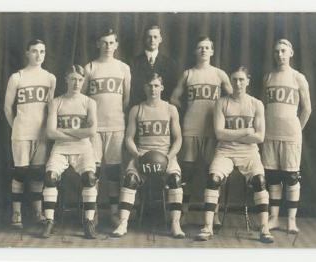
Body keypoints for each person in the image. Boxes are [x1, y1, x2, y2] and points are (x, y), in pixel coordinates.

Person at [196, 67, 274, 243]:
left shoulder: (256, 104)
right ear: (230, 82)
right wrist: (247, 130)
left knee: (260, 181)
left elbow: (260, 137)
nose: (237, 83)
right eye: (234, 80)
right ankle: (207, 227)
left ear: (248, 81)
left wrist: (232, 133)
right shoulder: (222, 102)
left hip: (249, 153)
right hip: (225, 151)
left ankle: (264, 228)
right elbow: (219, 134)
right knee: (213, 178)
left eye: (241, 79)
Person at [111, 72, 185, 238]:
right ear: (145, 88)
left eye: (156, 85)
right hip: (142, 154)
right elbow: (129, 138)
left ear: (162, 88)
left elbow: (178, 139)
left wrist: (169, 157)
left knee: (175, 179)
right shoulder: (137, 109)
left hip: (166, 155)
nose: (153, 89)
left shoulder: (170, 109)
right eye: (150, 86)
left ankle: (175, 223)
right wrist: (137, 156)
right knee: (130, 179)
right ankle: (123, 223)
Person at [170, 36, 232, 225]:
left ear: (212, 51)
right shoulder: (188, 74)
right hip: (190, 127)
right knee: (187, 170)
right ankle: (184, 210)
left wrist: (221, 115)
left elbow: (233, 99)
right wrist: (189, 109)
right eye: (200, 47)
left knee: (212, 171)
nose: (204, 50)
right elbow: (173, 98)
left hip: (212, 130)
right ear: (195, 52)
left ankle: (214, 214)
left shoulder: (220, 74)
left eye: (207, 47)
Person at [41, 65, 98, 239]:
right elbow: (50, 133)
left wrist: (64, 132)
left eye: (80, 80)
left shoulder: (89, 102)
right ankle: (49, 221)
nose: (77, 83)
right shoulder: (56, 102)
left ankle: (88, 222)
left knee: (89, 178)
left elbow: (91, 131)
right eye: (73, 79)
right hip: (61, 148)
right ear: (66, 79)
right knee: (50, 177)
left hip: (83, 149)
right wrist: (77, 134)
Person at [4, 39, 56, 228]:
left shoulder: (50, 78)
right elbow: (7, 108)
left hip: (41, 135)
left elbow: (51, 109)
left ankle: (37, 212)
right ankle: (16, 213)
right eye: (34, 51)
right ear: (27, 53)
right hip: (21, 133)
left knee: (38, 174)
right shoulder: (17, 77)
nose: (38, 55)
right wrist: (17, 127)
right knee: (20, 172)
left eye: (42, 51)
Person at [262, 39, 312, 234]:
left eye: (283, 51)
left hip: (291, 135)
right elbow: (263, 106)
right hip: (270, 134)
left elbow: (307, 109)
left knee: (291, 177)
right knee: (272, 177)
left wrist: (297, 129)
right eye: (276, 52)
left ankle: (291, 220)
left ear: (291, 53)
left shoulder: (298, 78)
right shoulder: (268, 77)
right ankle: (274, 218)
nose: (280, 55)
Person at [83, 28, 131, 226]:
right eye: (104, 42)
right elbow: (82, 98)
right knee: (92, 171)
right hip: (94, 128)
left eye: (111, 43)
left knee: (112, 171)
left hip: (116, 126)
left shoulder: (123, 68)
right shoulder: (90, 67)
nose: (107, 46)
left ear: (116, 45)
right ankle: (91, 214)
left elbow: (126, 99)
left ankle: (113, 212)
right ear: (97, 44)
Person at [130, 24, 178, 106]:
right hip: (141, 109)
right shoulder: (134, 63)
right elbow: (132, 91)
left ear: (160, 39)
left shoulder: (170, 63)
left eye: (155, 37)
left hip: (163, 110)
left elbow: (171, 91)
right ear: (144, 39)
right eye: (149, 37)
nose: (152, 40)